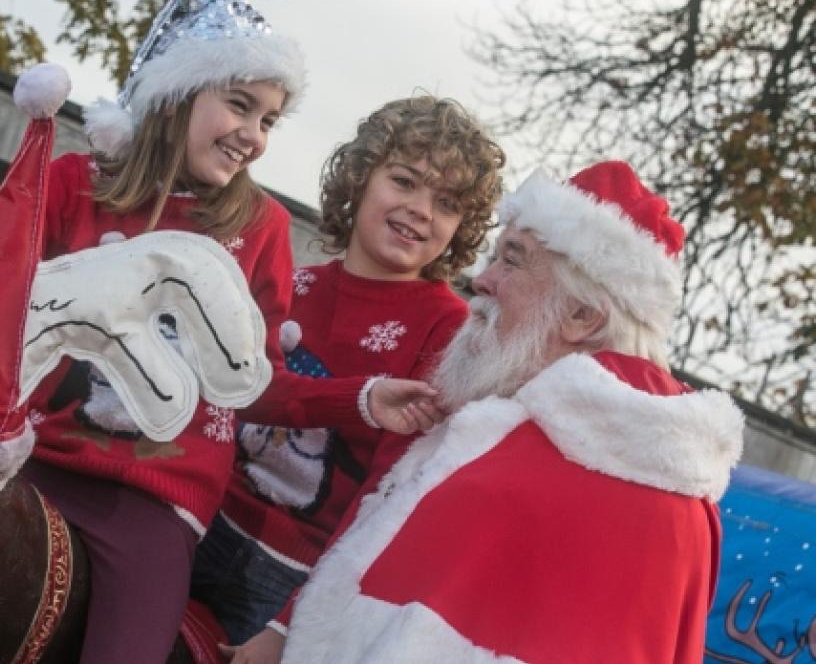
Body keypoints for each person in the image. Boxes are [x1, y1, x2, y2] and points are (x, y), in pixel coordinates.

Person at [0, 0, 437, 664]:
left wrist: (357, 398)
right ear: (178, 91)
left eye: (270, 119)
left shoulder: (259, 227)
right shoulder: (72, 182)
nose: (254, 135)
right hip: (26, 464)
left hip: (152, 506)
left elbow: (255, 385)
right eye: (240, 104)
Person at [276, 160, 745, 663]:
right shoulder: (674, 487)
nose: (482, 281)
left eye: (512, 261)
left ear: (581, 317)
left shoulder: (524, 460)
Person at [190, 95, 506, 663]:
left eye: (448, 203)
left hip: (290, 577)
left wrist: (288, 627)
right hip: (199, 520)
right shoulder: (292, 284)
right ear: (360, 177)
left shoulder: (447, 331)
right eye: (405, 181)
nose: (420, 210)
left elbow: (387, 495)